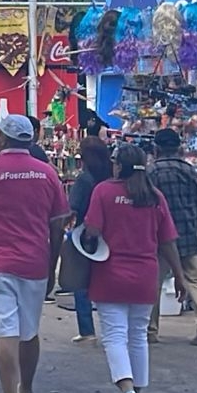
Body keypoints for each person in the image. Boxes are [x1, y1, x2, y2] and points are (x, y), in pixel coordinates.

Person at [0, 113, 70, 393]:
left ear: (4, 139)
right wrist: (52, 265)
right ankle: (26, 390)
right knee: (29, 330)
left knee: (4, 331)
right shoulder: (47, 173)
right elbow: (58, 225)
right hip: (35, 263)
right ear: (31, 140)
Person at [82, 143, 186, 393]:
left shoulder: (103, 191)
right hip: (145, 276)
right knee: (138, 336)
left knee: (115, 336)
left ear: (118, 165)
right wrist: (179, 275)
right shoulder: (154, 197)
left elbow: (92, 230)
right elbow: (168, 241)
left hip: (110, 274)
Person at [145, 129, 197, 346]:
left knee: (153, 284)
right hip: (188, 235)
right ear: (179, 148)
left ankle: (150, 330)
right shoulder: (190, 171)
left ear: (156, 149)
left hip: (160, 239)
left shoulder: (151, 173)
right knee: (196, 281)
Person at [66, 137, 113, 341]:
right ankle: (110, 326)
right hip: (110, 231)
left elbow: (73, 206)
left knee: (82, 281)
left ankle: (87, 330)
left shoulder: (84, 179)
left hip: (84, 233)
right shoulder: (111, 177)